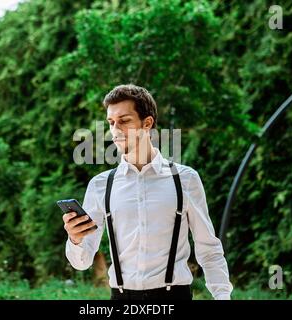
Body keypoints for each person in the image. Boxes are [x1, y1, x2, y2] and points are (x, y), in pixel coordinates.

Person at [63, 84, 233, 300]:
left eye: (124, 121)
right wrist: (75, 240)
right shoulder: (100, 185)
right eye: (111, 122)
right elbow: (82, 262)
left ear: (147, 123)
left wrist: (222, 296)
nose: (115, 130)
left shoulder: (185, 179)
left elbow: (208, 249)